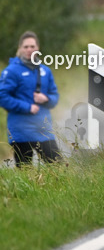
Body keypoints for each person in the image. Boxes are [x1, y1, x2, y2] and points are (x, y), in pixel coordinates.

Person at [0, 32, 61, 166]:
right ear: (20, 48)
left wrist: (46, 99)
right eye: (26, 46)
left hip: (43, 130)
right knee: (25, 173)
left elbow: (55, 96)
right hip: (21, 131)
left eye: (32, 46)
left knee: (58, 168)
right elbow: (2, 97)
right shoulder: (11, 71)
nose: (29, 50)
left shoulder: (45, 70)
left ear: (38, 48)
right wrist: (27, 107)